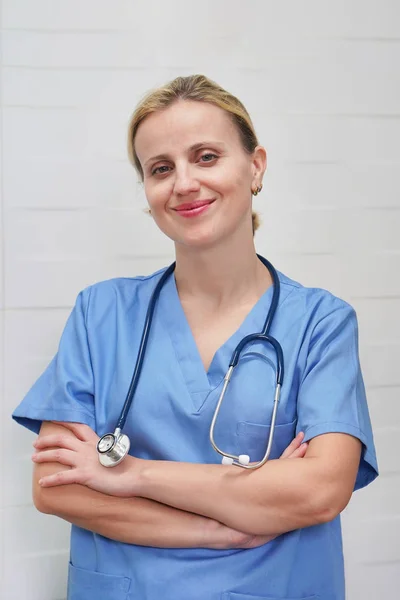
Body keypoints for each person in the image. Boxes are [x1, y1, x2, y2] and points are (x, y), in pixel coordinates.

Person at [12, 74, 378, 600]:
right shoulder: (101, 312)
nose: (183, 183)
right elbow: (56, 488)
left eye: (206, 156)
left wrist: (130, 474)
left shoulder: (322, 322)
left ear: (255, 167)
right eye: (160, 168)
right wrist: (222, 527)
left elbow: (320, 492)